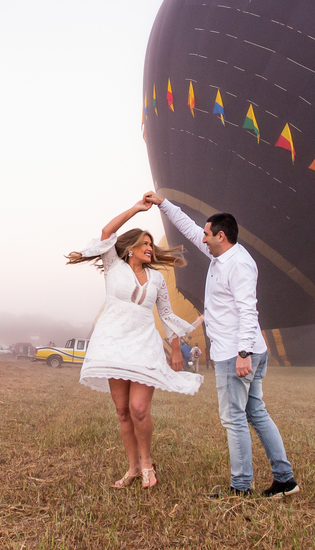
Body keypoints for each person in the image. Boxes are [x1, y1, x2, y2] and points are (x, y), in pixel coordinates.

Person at [146, 192, 299, 499]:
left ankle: (240, 486)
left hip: (237, 353)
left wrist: (243, 353)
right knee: (255, 412)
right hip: (244, 350)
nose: (201, 239)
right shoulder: (221, 256)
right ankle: (285, 479)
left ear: (220, 236)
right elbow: (189, 229)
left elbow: (248, 310)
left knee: (234, 417)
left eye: (207, 235)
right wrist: (163, 204)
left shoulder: (238, 265)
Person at [66, 197, 203, 490]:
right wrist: (136, 210)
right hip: (113, 344)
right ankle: (132, 468)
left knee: (139, 408)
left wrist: (176, 347)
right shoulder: (114, 266)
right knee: (123, 410)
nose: (150, 248)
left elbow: (166, 314)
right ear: (130, 249)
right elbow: (106, 233)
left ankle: (147, 465)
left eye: (151, 244)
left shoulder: (156, 279)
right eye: (144, 244)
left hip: (143, 345)